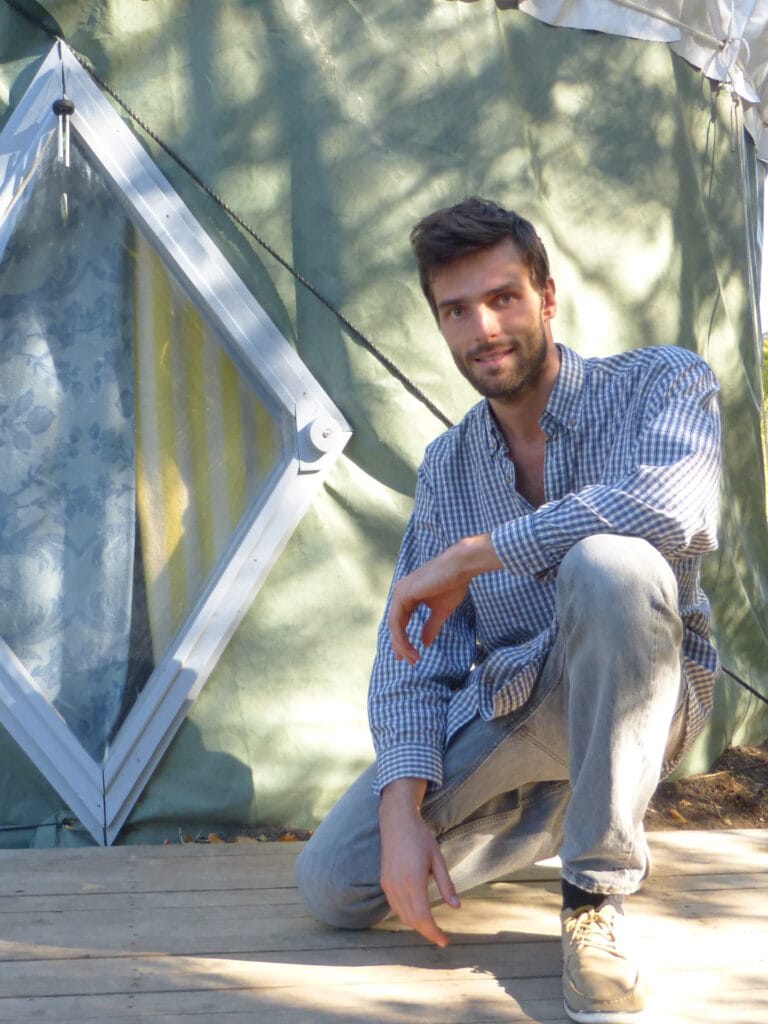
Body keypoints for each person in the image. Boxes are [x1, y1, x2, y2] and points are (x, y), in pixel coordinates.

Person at [296, 197, 721, 1022]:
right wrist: (400, 808)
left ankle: (593, 893)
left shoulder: (663, 381)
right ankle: (580, 803)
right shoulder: (448, 466)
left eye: (503, 299)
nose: (483, 329)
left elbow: (673, 509)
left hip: (649, 696)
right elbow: (414, 654)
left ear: (547, 297)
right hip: (517, 704)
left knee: (612, 564)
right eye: (457, 310)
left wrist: (475, 554)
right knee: (336, 884)